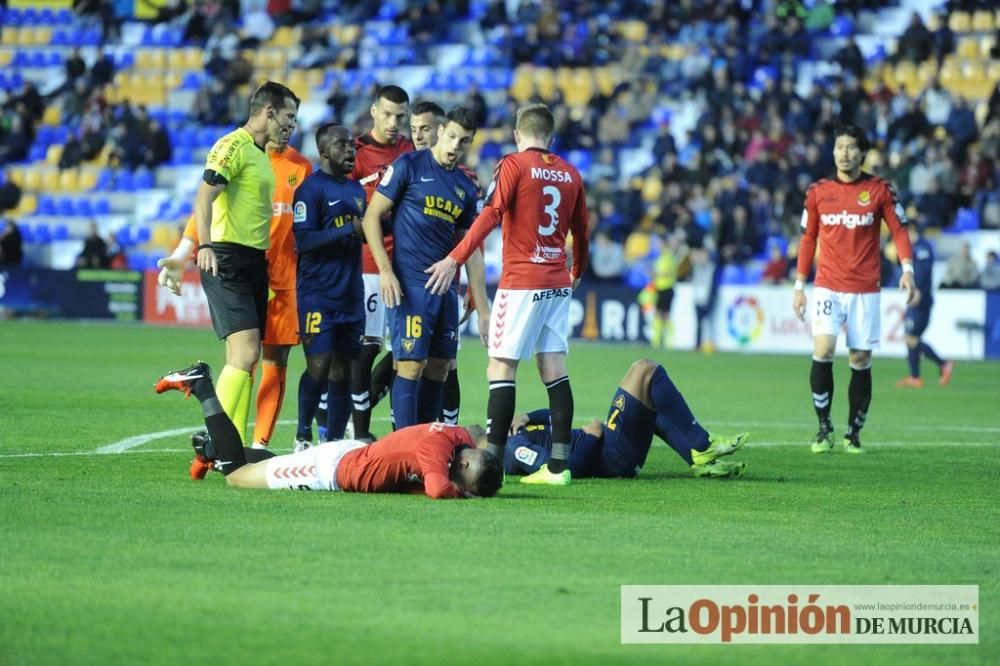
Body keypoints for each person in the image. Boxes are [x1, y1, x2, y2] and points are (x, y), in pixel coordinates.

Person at [425, 103, 590, 486]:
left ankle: (493, 459)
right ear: (550, 136)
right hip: (557, 283)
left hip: (522, 282)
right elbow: (581, 231)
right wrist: (576, 271)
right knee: (554, 368)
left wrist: (455, 257)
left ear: (518, 134)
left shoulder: (513, 165)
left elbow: (491, 213)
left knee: (501, 368)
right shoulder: (570, 172)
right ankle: (559, 468)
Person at [157, 87, 310, 450]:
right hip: (226, 257)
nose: (292, 126)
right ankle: (218, 442)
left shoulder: (265, 157)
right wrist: (198, 246)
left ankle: (233, 445)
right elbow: (204, 196)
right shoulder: (234, 145)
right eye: (289, 118)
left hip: (257, 262)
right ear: (269, 112)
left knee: (244, 357)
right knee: (246, 354)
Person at [154, 362, 502, 499]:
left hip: (344, 456)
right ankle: (203, 388)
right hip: (331, 471)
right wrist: (463, 495)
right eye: (464, 481)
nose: (459, 484)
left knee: (272, 463)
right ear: (465, 465)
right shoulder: (436, 454)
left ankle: (213, 452)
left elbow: (475, 431)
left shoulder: (455, 436)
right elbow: (439, 489)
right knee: (239, 477)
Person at [362, 107, 489, 432]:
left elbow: (470, 247)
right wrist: (386, 271)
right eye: (451, 137)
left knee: (440, 369)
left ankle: (425, 444)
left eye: (463, 142)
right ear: (441, 130)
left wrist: (482, 303)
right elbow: (371, 216)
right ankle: (404, 448)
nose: (454, 146)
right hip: (410, 287)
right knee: (410, 365)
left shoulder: (464, 185)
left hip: (445, 291)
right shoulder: (409, 166)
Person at [793, 124, 916, 454]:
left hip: (865, 288)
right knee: (824, 350)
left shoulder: (879, 190)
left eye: (850, 148)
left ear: (862, 153)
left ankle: (853, 432)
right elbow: (808, 239)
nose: (843, 153)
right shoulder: (818, 192)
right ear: (833, 151)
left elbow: (900, 231)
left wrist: (907, 270)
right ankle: (823, 428)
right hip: (828, 286)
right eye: (838, 147)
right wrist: (799, 285)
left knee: (860, 358)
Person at [504, 359, 748, 481]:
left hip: (612, 450)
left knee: (650, 399)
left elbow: (558, 416)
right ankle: (702, 443)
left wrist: (527, 416)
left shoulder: (512, 434)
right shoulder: (514, 448)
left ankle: (700, 461)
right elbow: (565, 469)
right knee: (645, 369)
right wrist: (592, 435)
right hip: (610, 456)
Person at [291, 124, 367, 450]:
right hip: (317, 294)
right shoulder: (310, 190)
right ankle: (303, 435)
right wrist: (348, 229)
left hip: (351, 294)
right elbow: (304, 241)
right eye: (341, 144)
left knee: (343, 372)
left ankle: (333, 443)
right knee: (318, 367)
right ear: (323, 151)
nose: (350, 150)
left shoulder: (358, 193)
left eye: (352, 144)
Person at [350, 85, 415, 442]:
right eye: (387, 114)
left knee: (406, 350)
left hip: (406, 268)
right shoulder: (355, 154)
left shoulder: (411, 151)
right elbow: (344, 208)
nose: (393, 122)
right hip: (368, 267)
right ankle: (359, 431)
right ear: (374, 110)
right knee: (367, 348)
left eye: (399, 116)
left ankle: (368, 416)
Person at [896, 225, 953, 389]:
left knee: (911, 338)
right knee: (909, 337)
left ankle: (943, 364)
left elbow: (924, 271)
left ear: (911, 231)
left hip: (921, 300)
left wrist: (918, 289)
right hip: (914, 298)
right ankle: (915, 377)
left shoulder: (922, 247)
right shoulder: (915, 247)